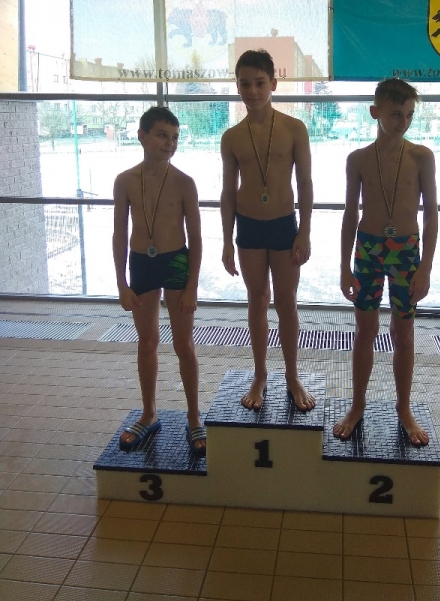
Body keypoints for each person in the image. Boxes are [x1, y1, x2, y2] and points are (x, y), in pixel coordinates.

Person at [333, 78, 438, 446]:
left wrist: (425, 267)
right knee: (365, 331)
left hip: (407, 251)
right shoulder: (358, 160)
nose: (402, 122)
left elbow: (432, 215)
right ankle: (357, 404)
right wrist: (344, 266)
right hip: (368, 249)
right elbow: (350, 214)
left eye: (409, 115)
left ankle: (403, 408)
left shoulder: (421, 157)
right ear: (375, 112)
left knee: (403, 333)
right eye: (395, 114)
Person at [220, 49, 315, 411]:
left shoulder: (294, 129)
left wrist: (304, 232)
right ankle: (260, 374)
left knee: (286, 303)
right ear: (237, 86)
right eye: (245, 84)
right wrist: (226, 241)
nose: (253, 91)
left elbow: (305, 184)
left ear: (273, 84)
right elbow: (227, 192)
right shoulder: (232, 137)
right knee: (257, 300)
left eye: (260, 83)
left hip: (283, 225)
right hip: (248, 228)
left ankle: (292, 375)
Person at [112, 106, 205, 453]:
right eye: (162, 135)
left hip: (176, 261)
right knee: (147, 342)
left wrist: (192, 286)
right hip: (141, 263)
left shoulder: (184, 183)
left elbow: (196, 238)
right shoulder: (125, 181)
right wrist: (121, 283)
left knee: (183, 344)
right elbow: (119, 234)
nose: (170, 143)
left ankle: (194, 416)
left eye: (175, 138)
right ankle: (149, 413)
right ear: (142, 136)